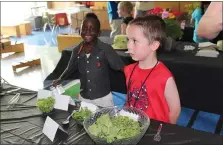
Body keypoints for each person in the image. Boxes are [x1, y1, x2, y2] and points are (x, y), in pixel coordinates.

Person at [52, 13, 125, 107]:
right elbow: (69, 68)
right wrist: (60, 79)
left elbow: (122, 68)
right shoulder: (76, 51)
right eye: (84, 28)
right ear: (80, 31)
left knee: (105, 121)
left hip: (103, 99)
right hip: (84, 98)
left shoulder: (106, 49)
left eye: (92, 29)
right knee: (84, 121)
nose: (87, 32)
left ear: (99, 32)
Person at [124, 15, 181, 124]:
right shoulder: (129, 70)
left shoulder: (164, 77)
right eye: (128, 39)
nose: (129, 46)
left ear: (154, 45)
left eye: (135, 41)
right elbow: (130, 98)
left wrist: (164, 130)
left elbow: (175, 110)